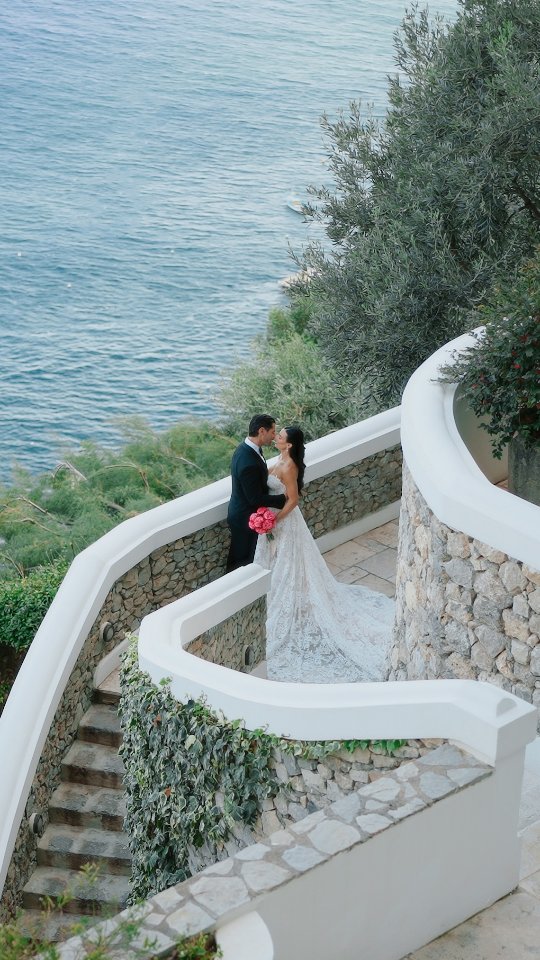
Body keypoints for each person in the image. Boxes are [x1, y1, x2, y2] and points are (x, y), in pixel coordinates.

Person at [254, 425, 394, 683]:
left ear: (290, 444)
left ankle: (298, 601)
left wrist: (276, 521)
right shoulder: (279, 460)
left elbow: (293, 500)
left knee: (290, 564)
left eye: (281, 436)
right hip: (274, 520)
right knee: (277, 563)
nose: (276, 437)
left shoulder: (289, 467)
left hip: (285, 522)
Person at [226, 414, 287, 572]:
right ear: (262, 431)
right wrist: (282, 499)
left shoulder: (246, 448)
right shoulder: (248, 462)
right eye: (273, 432)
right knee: (240, 561)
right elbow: (254, 499)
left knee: (247, 558)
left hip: (244, 513)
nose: (274, 437)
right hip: (244, 518)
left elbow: (258, 478)